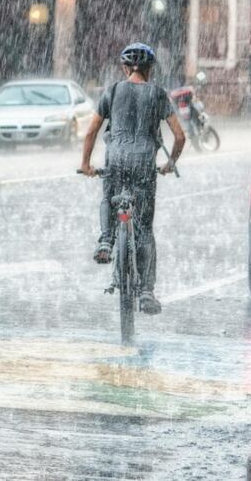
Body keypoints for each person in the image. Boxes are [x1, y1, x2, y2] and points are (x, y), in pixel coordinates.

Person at [79, 42, 186, 315]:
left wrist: (85, 164)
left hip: (115, 160)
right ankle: (147, 291)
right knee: (144, 230)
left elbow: (91, 132)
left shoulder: (113, 91)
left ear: (125, 68)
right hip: (143, 165)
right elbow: (180, 136)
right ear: (150, 69)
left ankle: (105, 240)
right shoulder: (158, 94)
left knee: (108, 196)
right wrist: (169, 163)